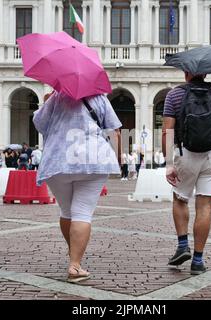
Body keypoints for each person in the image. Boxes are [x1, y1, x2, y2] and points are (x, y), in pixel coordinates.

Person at [33, 91, 122, 283]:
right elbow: (114, 130)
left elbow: (39, 124)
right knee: (82, 213)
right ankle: (75, 263)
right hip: (95, 159)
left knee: (67, 211)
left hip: (58, 159)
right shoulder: (100, 98)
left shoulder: (55, 98)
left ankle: (74, 255)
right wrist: (118, 160)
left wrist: (45, 103)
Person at [162, 71, 211, 275]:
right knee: (205, 205)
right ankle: (197, 260)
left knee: (180, 199)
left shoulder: (175, 95)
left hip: (185, 152)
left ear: (186, 73)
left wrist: (169, 163)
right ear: (206, 73)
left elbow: (167, 130)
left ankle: (182, 245)